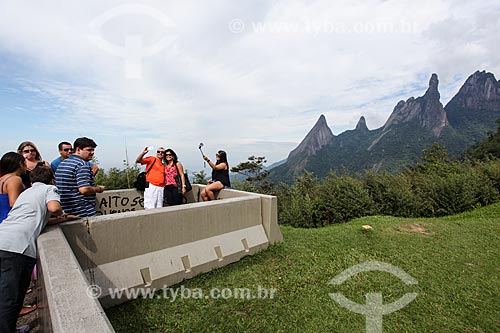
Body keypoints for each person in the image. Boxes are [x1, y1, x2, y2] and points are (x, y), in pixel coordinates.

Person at [0, 164, 79, 333]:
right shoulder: (50, 189)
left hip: (3, 236)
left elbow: (34, 217)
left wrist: (61, 219)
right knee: (11, 297)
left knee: (5, 293)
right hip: (17, 247)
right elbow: (54, 208)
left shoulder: (26, 193)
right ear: (52, 179)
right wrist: (61, 213)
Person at [55, 137, 104, 217]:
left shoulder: (63, 163)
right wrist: (98, 189)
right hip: (82, 210)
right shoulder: (82, 165)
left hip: (66, 209)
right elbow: (84, 189)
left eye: (93, 150)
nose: (92, 153)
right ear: (78, 150)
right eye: (89, 150)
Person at [0, 152, 26, 223]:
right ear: (21, 164)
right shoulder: (15, 179)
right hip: (9, 220)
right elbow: (13, 203)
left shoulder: (2, 179)